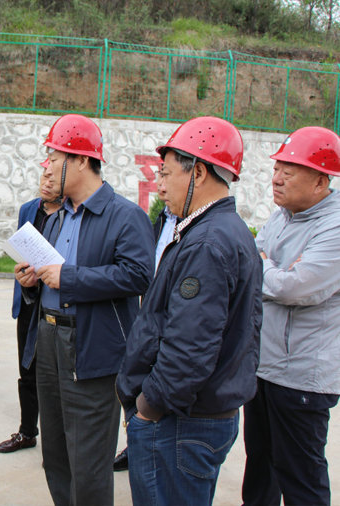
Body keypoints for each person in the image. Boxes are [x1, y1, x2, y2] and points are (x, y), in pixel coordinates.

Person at [116, 116, 263, 506]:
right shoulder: (223, 230)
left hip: (180, 421)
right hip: (195, 416)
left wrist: (148, 407)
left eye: (166, 174)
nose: (160, 185)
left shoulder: (208, 243)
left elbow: (189, 346)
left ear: (197, 171)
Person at [14, 114, 155, 506]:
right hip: (48, 338)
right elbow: (53, 277)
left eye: (54, 158)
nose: (46, 167)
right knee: (55, 453)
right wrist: (33, 283)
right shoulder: (58, 215)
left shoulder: (125, 216)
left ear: (79, 160)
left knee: (89, 462)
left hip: (91, 346)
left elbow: (139, 275)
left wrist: (70, 278)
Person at [242, 126, 340, 506]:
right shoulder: (282, 215)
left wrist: (265, 266)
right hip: (264, 367)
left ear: (320, 181)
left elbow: (295, 288)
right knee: (260, 469)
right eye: (276, 168)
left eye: (289, 170)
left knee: (301, 479)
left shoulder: (334, 226)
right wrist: (270, 267)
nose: (277, 178)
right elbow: (252, 259)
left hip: (301, 378)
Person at [0, 160, 63, 454]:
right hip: (29, 300)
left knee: (56, 376)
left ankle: (57, 442)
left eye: (53, 177)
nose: (46, 182)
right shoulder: (28, 210)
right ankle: (27, 432)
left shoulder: (72, 216)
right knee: (27, 369)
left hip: (58, 304)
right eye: (44, 175)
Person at [114, 189, 179, 472]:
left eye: (167, 175)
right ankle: (134, 445)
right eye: (160, 175)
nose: (162, 186)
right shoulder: (161, 219)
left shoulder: (197, 230)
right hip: (149, 315)